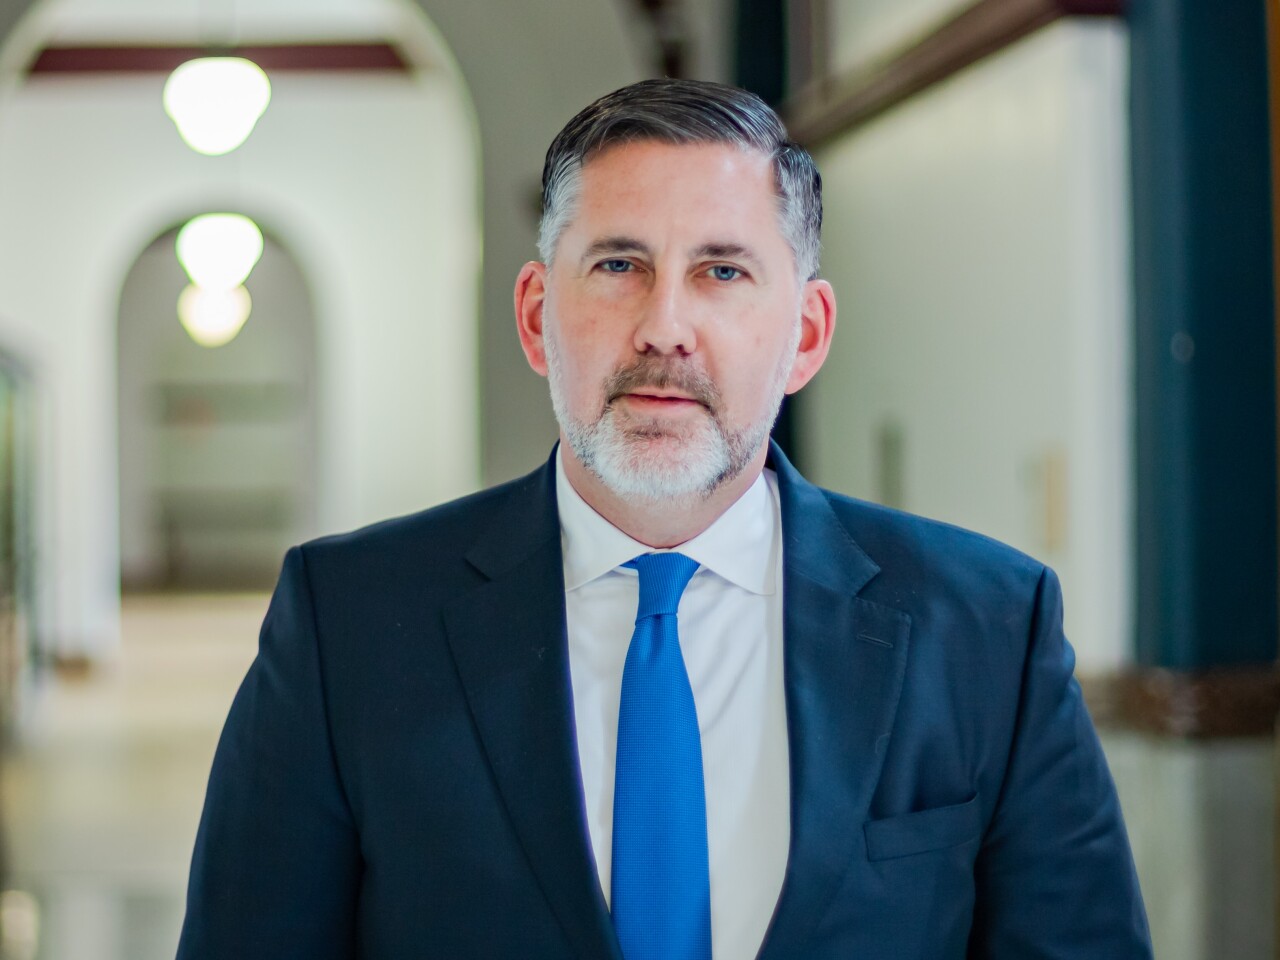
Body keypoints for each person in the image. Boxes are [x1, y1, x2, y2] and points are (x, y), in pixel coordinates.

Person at [176, 78, 1152, 959]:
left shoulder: (985, 626)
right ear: (533, 316)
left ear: (804, 334)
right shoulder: (347, 622)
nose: (663, 327)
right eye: (616, 265)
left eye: (722, 272)